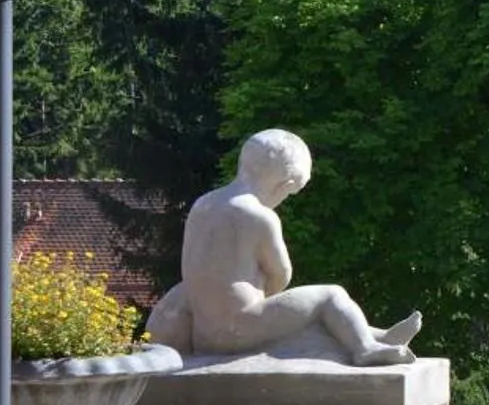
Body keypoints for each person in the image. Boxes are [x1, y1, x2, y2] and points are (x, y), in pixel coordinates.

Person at [145, 130, 420, 365]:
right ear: (285, 185)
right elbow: (281, 274)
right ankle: (365, 348)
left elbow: (193, 267)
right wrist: (267, 299)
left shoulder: (203, 205)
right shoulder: (260, 217)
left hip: (204, 331)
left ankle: (380, 336)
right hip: (240, 329)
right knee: (330, 296)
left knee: (303, 312)